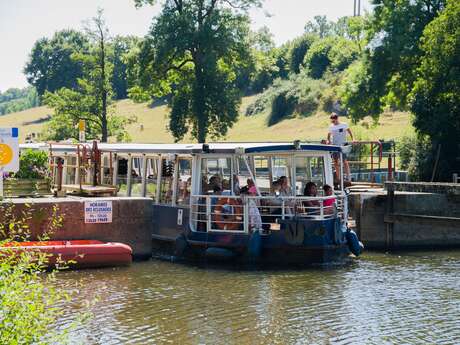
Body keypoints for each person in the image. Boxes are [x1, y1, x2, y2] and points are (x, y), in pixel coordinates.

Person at [327, 113, 354, 181]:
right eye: (331, 121)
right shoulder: (331, 126)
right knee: (335, 162)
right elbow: (328, 135)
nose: (332, 122)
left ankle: (348, 177)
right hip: (334, 146)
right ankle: (338, 178)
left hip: (343, 145)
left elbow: (350, 132)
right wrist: (329, 141)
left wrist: (353, 139)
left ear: (337, 119)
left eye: (333, 121)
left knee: (344, 161)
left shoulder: (344, 125)